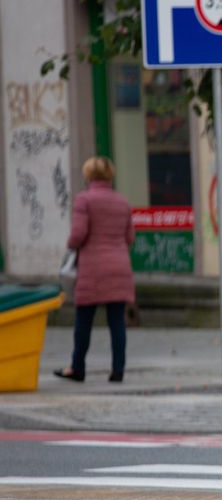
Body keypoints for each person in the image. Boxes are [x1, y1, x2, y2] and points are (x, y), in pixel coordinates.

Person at [54, 156, 134, 383]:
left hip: (93, 268)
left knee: (84, 320)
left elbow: (78, 235)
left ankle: (77, 367)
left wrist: (70, 246)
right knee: (117, 321)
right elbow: (129, 236)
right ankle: (118, 370)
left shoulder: (84, 200)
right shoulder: (122, 202)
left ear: (89, 175)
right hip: (119, 266)